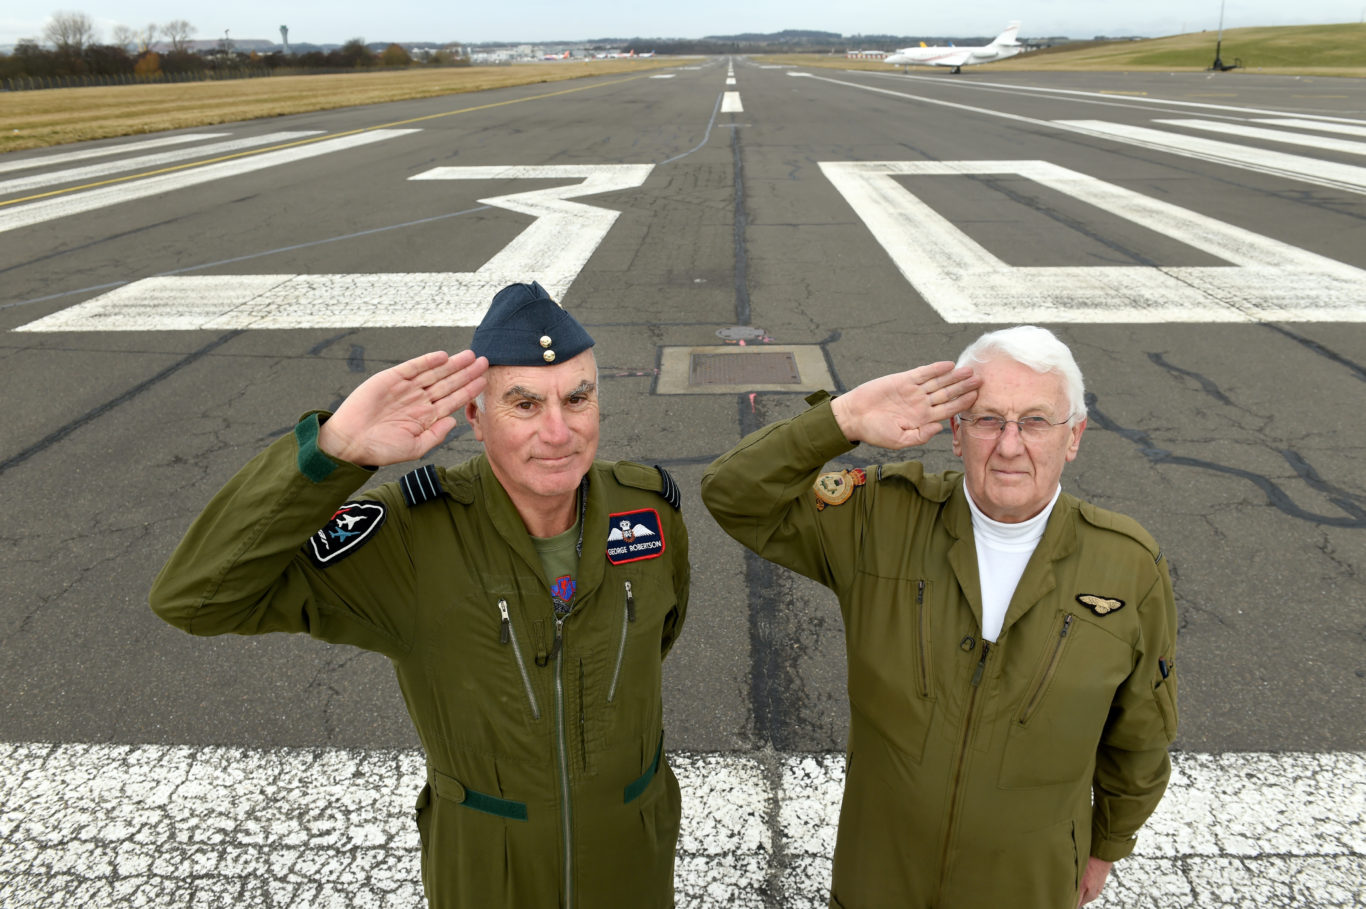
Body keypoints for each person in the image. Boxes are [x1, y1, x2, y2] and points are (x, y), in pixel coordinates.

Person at [150, 282, 689, 909]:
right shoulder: (410, 534)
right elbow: (197, 599)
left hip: (633, 858)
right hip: (488, 870)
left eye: (578, 398)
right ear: (476, 417)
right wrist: (333, 455)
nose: (558, 430)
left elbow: (659, 635)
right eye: (523, 404)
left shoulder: (647, 512)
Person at [701, 325, 1177, 909]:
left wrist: (1107, 846)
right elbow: (733, 493)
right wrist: (842, 419)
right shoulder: (881, 518)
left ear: (1073, 436)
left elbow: (1141, 733)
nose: (1008, 445)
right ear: (956, 432)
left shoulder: (1128, 566)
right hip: (879, 879)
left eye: (1034, 421)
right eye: (986, 420)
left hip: (1027, 884)